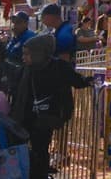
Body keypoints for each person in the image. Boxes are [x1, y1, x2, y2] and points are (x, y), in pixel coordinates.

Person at [13, 33, 88, 179]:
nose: (24, 57)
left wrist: (89, 80)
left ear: (39, 53)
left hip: (46, 118)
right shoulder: (25, 70)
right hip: (26, 118)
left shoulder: (58, 67)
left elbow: (77, 81)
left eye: (28, 54)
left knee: (40, 150)